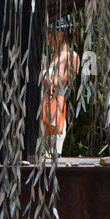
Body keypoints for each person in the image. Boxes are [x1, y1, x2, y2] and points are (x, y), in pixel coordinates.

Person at [39, 21, 81, 157]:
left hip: (56, 109)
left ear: (62, 33)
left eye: (51, 32)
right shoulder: (49, 57)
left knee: (52, 156)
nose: (48, 37)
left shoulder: (72, 57)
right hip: (42, 111)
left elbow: (61, 83)